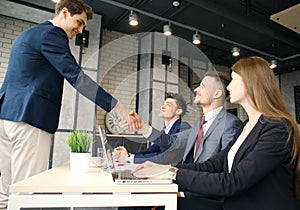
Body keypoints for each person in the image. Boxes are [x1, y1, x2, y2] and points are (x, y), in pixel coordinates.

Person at [0, 0, 138, 209]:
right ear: (64, 12)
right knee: (24, 192)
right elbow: (77, 78)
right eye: (79, 22)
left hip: (7, 118)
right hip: (30, 119)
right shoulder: (53, 35)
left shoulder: (30, 33)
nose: (80, 30)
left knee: (6, 191)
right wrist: (116, 107)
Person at [132, 56, 300, 210]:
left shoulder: (278, 129)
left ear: (251, 83)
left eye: (233, 80)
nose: (229, 86)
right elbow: (212, 165)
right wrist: (165, 169)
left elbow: (234, 181)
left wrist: (173, 174)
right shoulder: (246, 127)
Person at [113, 92, 191, 164]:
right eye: (163, 104)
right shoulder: (165, 131)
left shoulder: (184, 128)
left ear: (178, 111)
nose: (162, 106)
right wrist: (128, 156)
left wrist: (129, 158)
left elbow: (164, 158)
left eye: (168, 104)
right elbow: (150, 151)